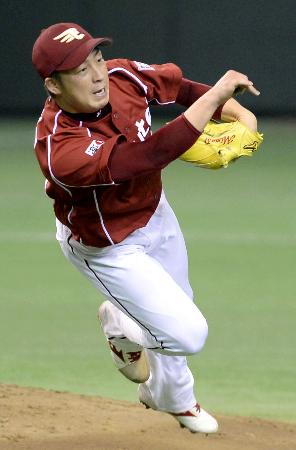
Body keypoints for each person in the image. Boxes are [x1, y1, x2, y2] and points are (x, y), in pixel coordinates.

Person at [32, 22, 260, 434]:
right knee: (187, 333)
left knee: (180, 303)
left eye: (96, 58)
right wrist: (215, 97)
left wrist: (237, 111)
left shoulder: (121, 76)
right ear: (53, 85)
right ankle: (122, 328)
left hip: (155, 210)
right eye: (80, 70)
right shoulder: (60, 148)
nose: (98, 73)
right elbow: (146, 156)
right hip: (106, 245)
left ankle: (173, 396)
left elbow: (179, 88)